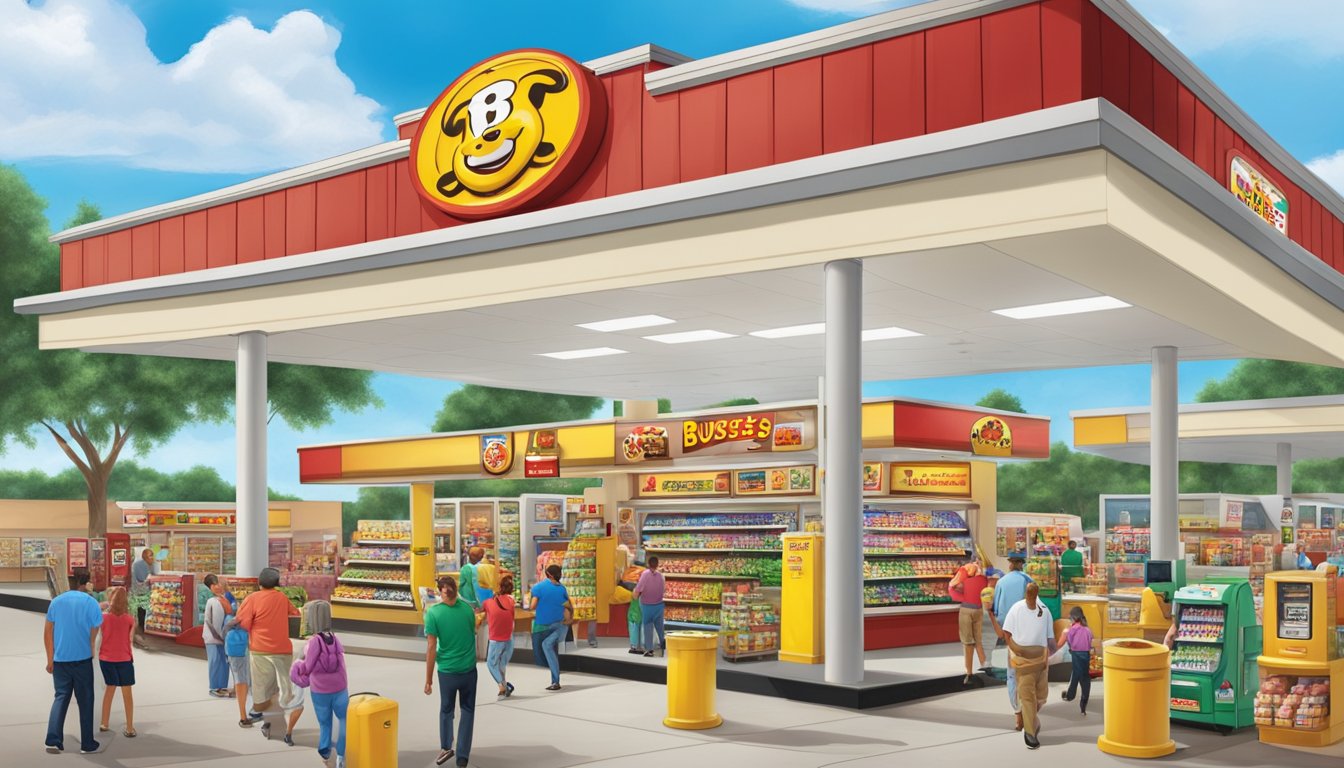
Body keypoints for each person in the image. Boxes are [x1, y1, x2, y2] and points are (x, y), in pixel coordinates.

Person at [234, 567, 301, 735]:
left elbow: (243, 622)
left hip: (260, 649)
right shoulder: (282, 597)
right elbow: (294, 613)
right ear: (277, 583)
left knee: (261, 685)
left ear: (259, 582)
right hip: (283, 649)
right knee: (280, 685)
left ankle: (260, 713)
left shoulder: (252, 599)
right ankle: (275, 717)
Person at [44, 570, 104, 754]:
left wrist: (50, 659)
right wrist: (91, 644)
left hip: (60, 659)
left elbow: (48, 633)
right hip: (82, 660)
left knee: (61, 697)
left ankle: (54, 738)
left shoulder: (56, 602)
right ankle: (87, 743)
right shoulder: (91, 602)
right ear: (86, 584)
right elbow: (96, 626)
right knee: (85, 700)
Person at [424, 576, 477, 768]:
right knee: (468, 710)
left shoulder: (433, 613)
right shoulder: (468, 610)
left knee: (446, 710)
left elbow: (431, 647)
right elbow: (472, 632)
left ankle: (447, 747)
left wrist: (428, 679)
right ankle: (463, 756)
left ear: (440, 591)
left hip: (447, 671)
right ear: (455, 588)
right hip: (469, 670)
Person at [291, 601, 348, 768]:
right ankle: (341, 756)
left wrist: (297, 665)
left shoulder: (314, 641)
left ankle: (325, 751)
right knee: (344, 720)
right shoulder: (336, 638)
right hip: (340, 687)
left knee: (325, 723)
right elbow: (342, 664)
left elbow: (307, 667)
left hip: (320, 690)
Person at [1001, 582, 1055, 750]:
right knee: (1027, 697)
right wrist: (1015, 650)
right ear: (1026, 594)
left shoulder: (1044, 610)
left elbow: (1048, 639)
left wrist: (1047, 659)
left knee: (1041, 697)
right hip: (1022, 662)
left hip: (1040, 660)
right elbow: (1007, 634)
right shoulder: (1016, 609)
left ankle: (1033, 721)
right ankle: (1029, 733)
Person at [993, 556, 1035, 728]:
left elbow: (997, 610)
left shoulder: (1001, 582)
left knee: (1012, 674)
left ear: (1010, 564)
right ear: (1022, 565)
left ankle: (1017, 712)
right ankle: (1028, 709)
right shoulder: (1029, 581)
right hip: (1028, 633)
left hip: (1010, 633)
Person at [97, 586, 136, 738]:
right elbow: (130, 640)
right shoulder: (130, 619)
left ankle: (104, 723)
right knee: (127, 694)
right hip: (124, 659)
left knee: (109, 690)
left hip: (106, 659)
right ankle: (130, 727)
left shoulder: (103, 618)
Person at [529, 564, 574, 691]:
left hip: (542, 625)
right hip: (560, 625)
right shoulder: (562, 589)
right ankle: (555, 679)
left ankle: (555, 680)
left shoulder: (538, 587)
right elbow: (567, 606)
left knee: (544, 646)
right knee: (550, 647)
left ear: (547, 574)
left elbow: (532, 606)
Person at [223, 604, 265, 728]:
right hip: (248, 653)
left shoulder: (232, 621)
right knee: (254, 682)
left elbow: (223, 633)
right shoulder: (253, 621)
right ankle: (255, 711)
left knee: (240, 681)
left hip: (234, 654)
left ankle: (243, 716)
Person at [949, 559, 989, 684]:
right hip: (978, 610)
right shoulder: (983, 580)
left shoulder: (964, 581)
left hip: (966, 610)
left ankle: (969, 673)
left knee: (967, 643)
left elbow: (953, 587)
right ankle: (986, 667)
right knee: (978, 641)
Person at [480, 574, 517, 699]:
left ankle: (502, 686)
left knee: (491, 663)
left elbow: (478, 611)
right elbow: (511, 618)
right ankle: (505, 687)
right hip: (509, 638)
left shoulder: (488, 603)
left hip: (496, 639)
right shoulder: (511, 601)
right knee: (501, 664)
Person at [1057, 606, 1094, 715]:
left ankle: (1070, 696)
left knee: (1077, 676)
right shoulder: (1087, 629)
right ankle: (1083, 704)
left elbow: (1065, 643)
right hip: (1085, 655)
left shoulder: (1070, 629)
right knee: (1085, 677)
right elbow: (1090, 640)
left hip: (1076, 654)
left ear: (1073, 618)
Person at [202, 574, 233, 698]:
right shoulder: (212, 601)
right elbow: (213, 622)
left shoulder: (223, 599)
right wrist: (221, 636)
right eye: (215, 585)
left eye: (219, 584)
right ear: (210, 587)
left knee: (224, 662)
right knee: (215, 662)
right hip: (214, 638)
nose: (218, 586)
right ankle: (215, 687)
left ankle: (222, 686)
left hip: (223, 637)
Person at [633, 556, 666, 658]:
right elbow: (663, 590)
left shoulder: (645, 574)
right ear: (657, 564)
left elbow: (638, 590)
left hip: (647, 605)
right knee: (659, 626)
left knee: (647, 626)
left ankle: (649, 649)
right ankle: (663, 643)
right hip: (659, 605)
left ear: (648, 564)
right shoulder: (661, 576)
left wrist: (635, 596)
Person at [129, 547, 155, 648]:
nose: (152, 558)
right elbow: (141, 578)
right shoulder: (139, 565)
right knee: (141, 612)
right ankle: (140, 632)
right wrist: (149, 578)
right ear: (144, 556)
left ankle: (141, 631)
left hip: (144, 592)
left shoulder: (149, 565)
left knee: (142, 612)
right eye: (150, 555)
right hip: (139, 593)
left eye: (152, 555)